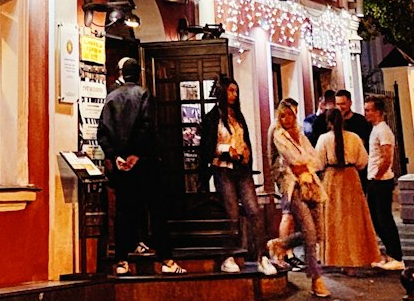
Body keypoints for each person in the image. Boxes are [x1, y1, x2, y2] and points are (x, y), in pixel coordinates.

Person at [96, 59, 184, 276]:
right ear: (139, 73)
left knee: (124, 213)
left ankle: (121, 261)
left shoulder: (111, 97)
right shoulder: (144, 95)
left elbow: (102, 132)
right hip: (146, 164)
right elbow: (147, 127)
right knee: (156, 211)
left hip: (122, 167)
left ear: (121, 74)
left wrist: (116, 156)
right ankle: (166, 259)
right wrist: (137, 153)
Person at [200, 79, 278, 277]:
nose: (234, 94)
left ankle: (262, 256)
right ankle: (229, 255)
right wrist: (227, 150)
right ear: (223, 92)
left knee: (254, 210)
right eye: (231, 90)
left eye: (236, 90)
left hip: (242, 170)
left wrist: (246, 154)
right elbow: (208, 147)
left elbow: (245, 140)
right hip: (223, 169)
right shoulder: (213, 118)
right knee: (232, 213)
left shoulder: (238, 116)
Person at [268, 98, 329, 297]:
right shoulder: (278, 134)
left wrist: (305, 165)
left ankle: (280, 244)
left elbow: (316, 160)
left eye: (290, 114)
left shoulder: (300, 134)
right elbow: (292, 158)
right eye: (282, 115)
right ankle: (316, 278)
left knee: (318, 233)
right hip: (293, 186)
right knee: (309, 232)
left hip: (311, 184)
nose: (286, 119)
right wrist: (303, 164)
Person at [317, 110, 387, 271]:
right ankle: (355, 258)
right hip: (351, 179)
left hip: (332, 179)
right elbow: (363, 161)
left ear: (328, 122)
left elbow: (318, 162)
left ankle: (334, 257)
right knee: (353, 221)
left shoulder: (324, 139)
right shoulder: (354, 138)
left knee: (333, 221)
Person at [363, 95, 404, 269]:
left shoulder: (383, 130)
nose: (366, 113)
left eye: (369, 110)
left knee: (384, 218)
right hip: (375, 178)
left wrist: (378, 175)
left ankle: (396, 256)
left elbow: (387, 157)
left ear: (378, 112)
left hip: (381, 180)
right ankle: (390, 253)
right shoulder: (376, 129)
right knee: (376, 219)